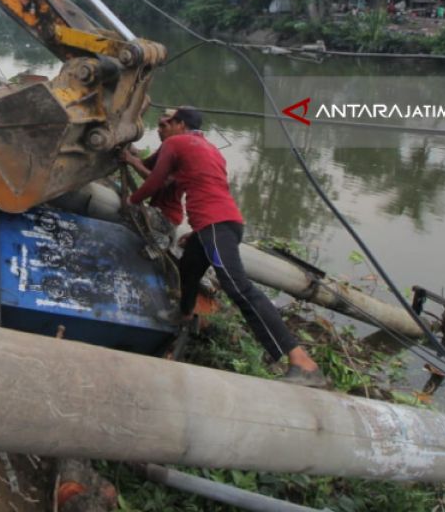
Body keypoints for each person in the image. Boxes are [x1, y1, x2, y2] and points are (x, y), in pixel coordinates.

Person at [125, 107, 328, 388]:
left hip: (216, 225)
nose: (162, 128)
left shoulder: (176, 142)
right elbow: (210, 189)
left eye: (166, 123)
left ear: (180, 124)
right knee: (190, 267)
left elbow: (155, 180)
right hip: (221, 223)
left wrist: (132, 201)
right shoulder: (210, 149)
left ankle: (302, 362)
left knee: (238, 288)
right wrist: (197, 232)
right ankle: (183, 314)